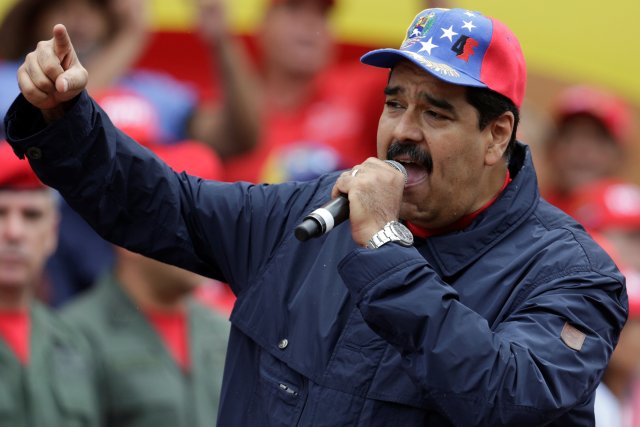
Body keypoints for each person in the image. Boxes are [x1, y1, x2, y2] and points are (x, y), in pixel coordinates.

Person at [5, 7, 628, 426]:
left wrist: (383, 245)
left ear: (497, 136)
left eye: (435, 113)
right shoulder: (311, 210)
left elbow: (505, 394)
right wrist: (68, 125)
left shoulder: (571, 273)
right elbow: (163, 205)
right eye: (394, 103)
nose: (402, 132)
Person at [60, 142, 230, 427]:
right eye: (187, 223)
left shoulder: (223, 331)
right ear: (130, 234)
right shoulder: (73, 335)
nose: (207, 240)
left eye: (209, 223)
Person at [222, 0, 387, 183]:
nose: (310, 23)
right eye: (294, 9)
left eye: (322, 14)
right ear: (262, 26)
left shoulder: (362, 89)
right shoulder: (231, 117)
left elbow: (420, 76)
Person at [0, 142, 99, 426]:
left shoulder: (77, 342)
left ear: (52, 232)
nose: (14, 233)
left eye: (31, 215)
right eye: (1, 213)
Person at [542, 85, 632, 214]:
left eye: (597, 139)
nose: (581, 150)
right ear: (551, 147)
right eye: (570, 136)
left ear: (619, 154)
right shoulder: (530, 205)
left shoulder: (631, 216)